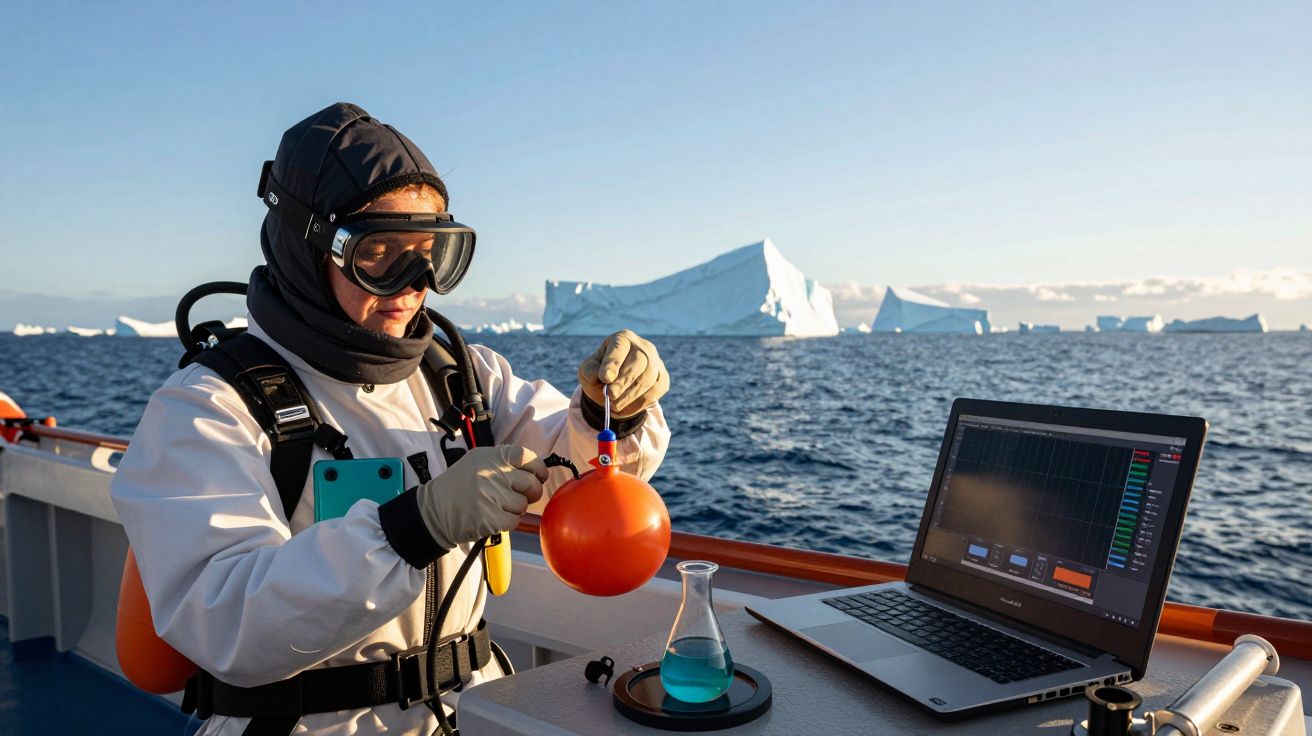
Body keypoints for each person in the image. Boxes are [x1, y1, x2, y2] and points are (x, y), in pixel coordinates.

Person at [110, 102, 671, 736]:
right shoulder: (208, 408)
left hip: (472, 713)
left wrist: (608, 413)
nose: (414, 283)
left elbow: (584, 476)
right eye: (380, 252)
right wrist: (413, 526)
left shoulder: (460, 375)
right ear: (308, 249)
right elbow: (226, 621)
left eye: (433, 252)